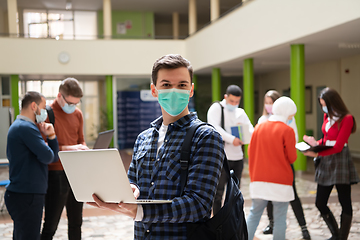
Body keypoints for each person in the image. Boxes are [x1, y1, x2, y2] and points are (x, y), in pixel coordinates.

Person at [89, 54, 225, 239]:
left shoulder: (206, 137)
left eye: (182, 85)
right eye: (166, 85)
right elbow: (133, 181)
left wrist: (140, 211)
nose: (174, 91)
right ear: (154, 90)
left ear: (191, 90)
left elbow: (199, 204)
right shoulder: (144, 138)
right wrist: (130, 190)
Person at [302, 87, 359, 240]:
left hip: (340, 160)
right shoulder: (327, 117)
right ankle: (336, 233)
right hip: (326, 159)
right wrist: (315, 143)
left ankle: (342, 237)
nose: (323, 108)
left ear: (333, 102)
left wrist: (317, 152)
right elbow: (327, 140)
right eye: (321, 105)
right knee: (320, 201)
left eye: (324, 104)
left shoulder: (347, 118)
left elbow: (338, 146)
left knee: (344, 200)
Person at [5, 91, 59, 240]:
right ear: (34, 106)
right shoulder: (26, 128)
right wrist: (52, 135)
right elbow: (49, 157)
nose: (45, 113)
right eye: (43, 107)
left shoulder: (19, 126)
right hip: (27, 195)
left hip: (22, 193)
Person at [258, 90, 311, 239]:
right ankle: (272, 223)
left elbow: (293, 138)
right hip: (269, 164)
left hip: (285, 162)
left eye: (271, 103)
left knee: (292, 195)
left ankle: (304, 227)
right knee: (268, 196)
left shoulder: (289, 119)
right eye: (266, 103)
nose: (268, 106)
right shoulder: (262, 120)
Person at [41, 78, 89, 240]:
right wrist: (70, 148)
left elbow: (81, 140)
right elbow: (43, 146)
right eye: (70, 103)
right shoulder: (46, 113)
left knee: (76, 221)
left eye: (76, 104)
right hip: (56, 173)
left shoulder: (77, 114)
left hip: (75, 172)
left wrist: (82, 147)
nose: (73, 107)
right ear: (59, 96)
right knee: (51, 224)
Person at [247, 96, 298, 240]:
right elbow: (292, 158)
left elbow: (250, 152)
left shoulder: (258, 127)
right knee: (280, 218)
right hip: (280, 181)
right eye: (291, 115)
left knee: (254, 214)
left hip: (258, 179)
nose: (290, 118)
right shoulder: (287, 130)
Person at [207, 84, 254, 214]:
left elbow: (251, 129)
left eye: (237, 101)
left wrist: (245, 136)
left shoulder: (240, 112)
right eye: (231, 101)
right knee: (218, 192)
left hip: (238, 157)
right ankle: (217, 219)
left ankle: (232, 218)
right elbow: (214, 127)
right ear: (225, 97)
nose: (234, 104)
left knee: (234, 191)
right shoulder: (216, 108)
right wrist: (231, 139)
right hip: (222, 157)